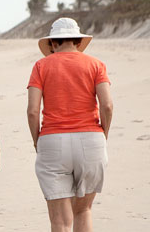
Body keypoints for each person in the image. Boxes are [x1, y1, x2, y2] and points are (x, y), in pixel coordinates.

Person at [27, 17, 113, 232]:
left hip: (52, 140)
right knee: (83, 211)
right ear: (77, 41)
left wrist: (37, 140)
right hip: (91, 139)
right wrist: (104, 134)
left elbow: (32, 111)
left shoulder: (41, 66)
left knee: (60, 221)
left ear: (53, 43)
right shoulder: (96, 64)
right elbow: (108, 105)